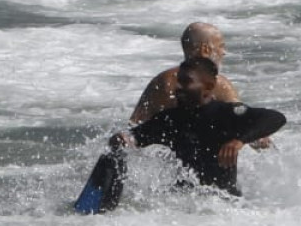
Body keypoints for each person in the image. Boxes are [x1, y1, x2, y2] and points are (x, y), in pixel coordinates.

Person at [105, 57, 287, 199]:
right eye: (178, 81)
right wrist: (122, 140)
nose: (177, 87)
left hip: (225, 203)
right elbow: (135, 137)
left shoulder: (228, 114)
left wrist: (239, 141)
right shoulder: (169, 119)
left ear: (208, 87)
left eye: (186, 82)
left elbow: (276, 118)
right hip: (182, 202)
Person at [131, 21, 241, 122]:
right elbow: (243, 123)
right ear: (205, 50)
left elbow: (133, 125)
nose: (224, 52)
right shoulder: (218, 84)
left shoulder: (161, 82)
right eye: (221, 46)